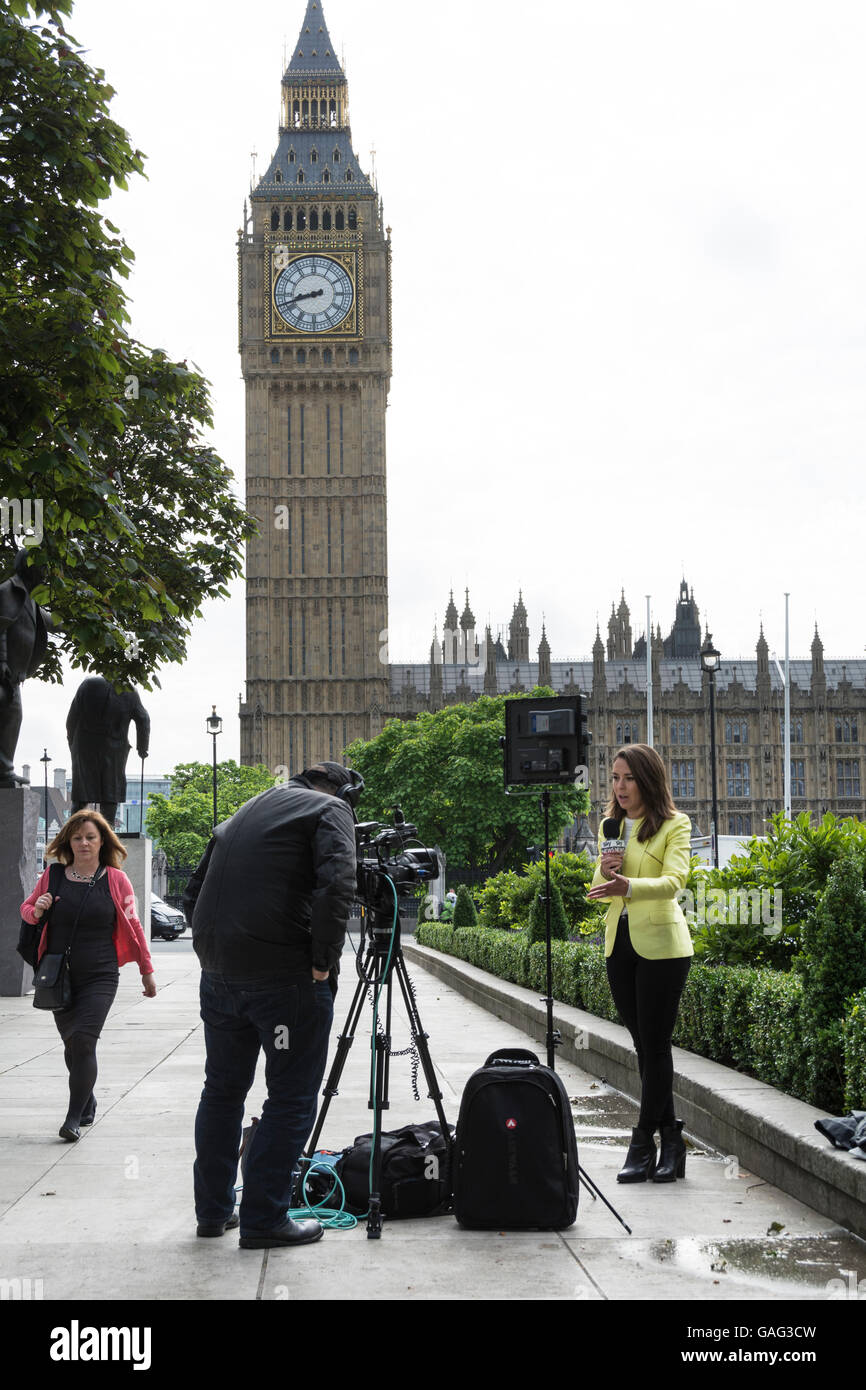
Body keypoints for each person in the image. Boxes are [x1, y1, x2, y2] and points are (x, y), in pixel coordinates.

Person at [184, 762, 359, 1247]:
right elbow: (338, 883)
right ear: (339, 789)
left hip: (220, 975)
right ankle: (265, 1219)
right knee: (291, 1097)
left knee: (221, 1091)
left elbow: (194, 891)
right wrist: (323, 962)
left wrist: (212, 952)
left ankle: (213, 1213)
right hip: (283, 979)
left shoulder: (248, 809)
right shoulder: (331, 807)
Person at [588, 744, 693, 1184]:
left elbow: (674, 882)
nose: (619, 786)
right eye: (614, 778)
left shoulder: (674, 824)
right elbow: (597, 884)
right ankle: (672, 1140)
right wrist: (606, 871)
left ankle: (642, 1140)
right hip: (620, 944)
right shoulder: (609, 826)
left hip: (664, 947)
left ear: (647, 779)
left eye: (628, 778)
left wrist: (627, 883)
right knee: (642, 1047)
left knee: (656, 1045)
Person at [20, 810, 157, 1141]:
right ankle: (89, 1099)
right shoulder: (53, 876)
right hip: (58, 975)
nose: (83, 842)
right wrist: (38, 908)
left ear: (102, 842)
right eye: (78, 837)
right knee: (72, 1047)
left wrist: (146, 970)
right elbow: (26, 910)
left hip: (101, 974)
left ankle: (73, 1116)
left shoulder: (116, 879)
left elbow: (133, 925)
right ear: (69, 840)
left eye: (90, 837)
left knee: (83, 1039)